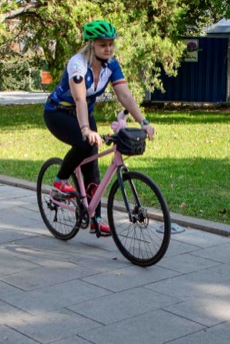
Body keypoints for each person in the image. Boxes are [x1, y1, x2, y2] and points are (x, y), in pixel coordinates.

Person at [43, 20, 155, 236]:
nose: (108, 48)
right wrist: (85, 129)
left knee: (92, 164)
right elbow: (80, 99)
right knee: (84, 141)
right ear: (92, 45)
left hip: (84, 113)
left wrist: (144, 122)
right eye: (103, 44)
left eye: (111, 44)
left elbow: (125, 96)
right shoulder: (78, 64)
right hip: (58, 113)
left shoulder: (111, 65)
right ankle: (59, 182)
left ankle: (95, 219)